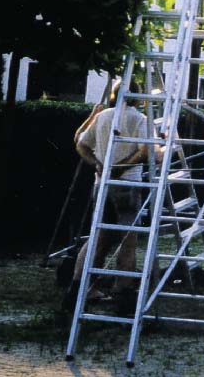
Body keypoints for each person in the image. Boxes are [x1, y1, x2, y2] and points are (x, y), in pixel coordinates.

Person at [62, 80, 149, 316]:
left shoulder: (103, 117)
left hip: (101, 185)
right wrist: (121, 167)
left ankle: (77, 289)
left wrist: (97, 164)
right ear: (136, 96)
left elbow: (81, 143)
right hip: (127, 184)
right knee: (128, 241)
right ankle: (124, 297)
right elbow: (144, 150)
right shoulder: (138, 118)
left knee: (98, 237)